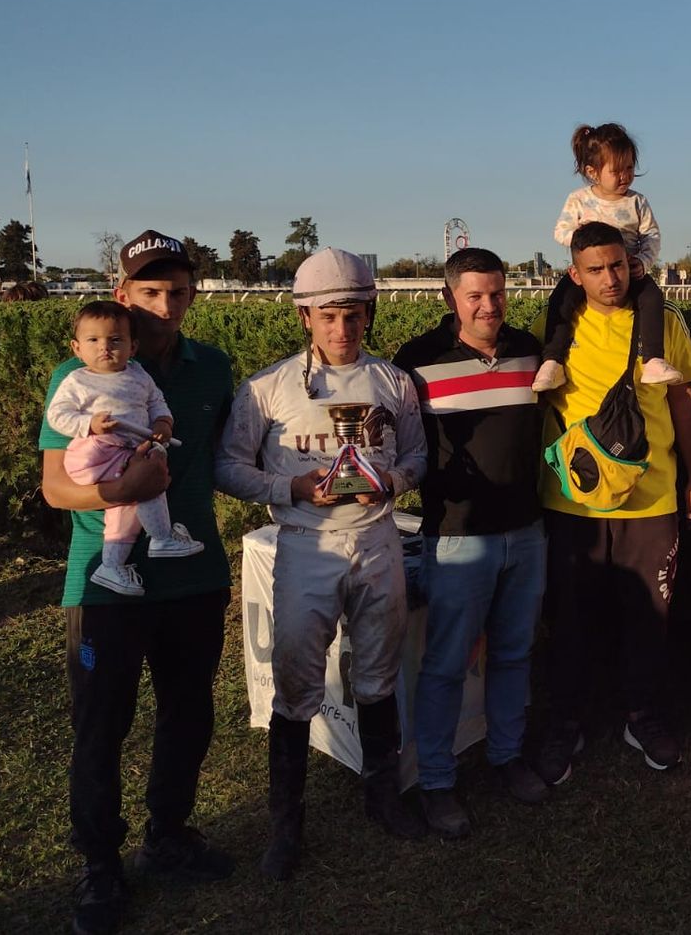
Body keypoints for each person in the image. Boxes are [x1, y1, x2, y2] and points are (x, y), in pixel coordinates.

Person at [39, 230, 235, 935]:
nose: (164, 305)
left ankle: (169, 835)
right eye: (149, 291)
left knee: (188, 711)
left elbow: (228, 457)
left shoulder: (212, 368)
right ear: (122, 295)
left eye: (177, 291)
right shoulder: (79, 370)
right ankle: (99, 863)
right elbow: (58, 488)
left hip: (195, 575)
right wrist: (125, 486)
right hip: (104, 584)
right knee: (101, 725)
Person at [216, 247, 430, 879]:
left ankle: (382, 798)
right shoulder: (268, 386)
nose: (343, 329)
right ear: (305, 315)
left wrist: (390, 480)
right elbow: (229, 466)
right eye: (329, 316)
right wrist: (290, 489)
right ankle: (288, 825)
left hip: (375, 539)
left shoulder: (393, 382)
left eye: (355, 315)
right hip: (306, 545)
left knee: (379, 674)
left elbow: (417, 459)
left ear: (369, 313)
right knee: (296, 683)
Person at [533, 221, 691, 783]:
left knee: (649, 619)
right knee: (572, 621)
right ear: (574, 274)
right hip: (572, 505)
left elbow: (682, 404)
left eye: (618, 266)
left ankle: (643, 715)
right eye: (596, 270)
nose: (611, 279)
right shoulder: (556, 325)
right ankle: (566, 720)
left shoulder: (665, 322)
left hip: (652, 500)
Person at [391, 247, 549, 839]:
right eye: (476, 295)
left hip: (527, 532)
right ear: (450, 297)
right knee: (446, 666)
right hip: (456, 539)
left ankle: (506, 756)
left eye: (499, 292)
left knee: (514, 653)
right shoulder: (418, 361)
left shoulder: (530, 350)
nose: (490, 305)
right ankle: (436, 781)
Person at [46, 300, 206, 597]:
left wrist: (163, 423)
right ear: (76, 348)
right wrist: (90, 425)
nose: (104, 347)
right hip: (95, 453)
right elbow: (57, 416)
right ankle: (161, 536)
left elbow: (156, 401)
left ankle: (112, 564)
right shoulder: (76, 380)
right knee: (148, 478)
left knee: (126, 509)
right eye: (93, 340)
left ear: (133, 347)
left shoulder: (138, 374)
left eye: (115, 340)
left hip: (129, 451)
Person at [531, 122, 681, 392]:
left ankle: (653, 360)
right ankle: (552, 362)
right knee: (561, 301)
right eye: (617, 170)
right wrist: (585, 242)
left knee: (652, 297)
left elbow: (652, 236)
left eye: (629, 168)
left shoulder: (638, 202)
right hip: (590, 274)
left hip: (629, 272)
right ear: (593, 172)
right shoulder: (578, 200)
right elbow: (561, 231)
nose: (625, 176)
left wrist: (643, 262)